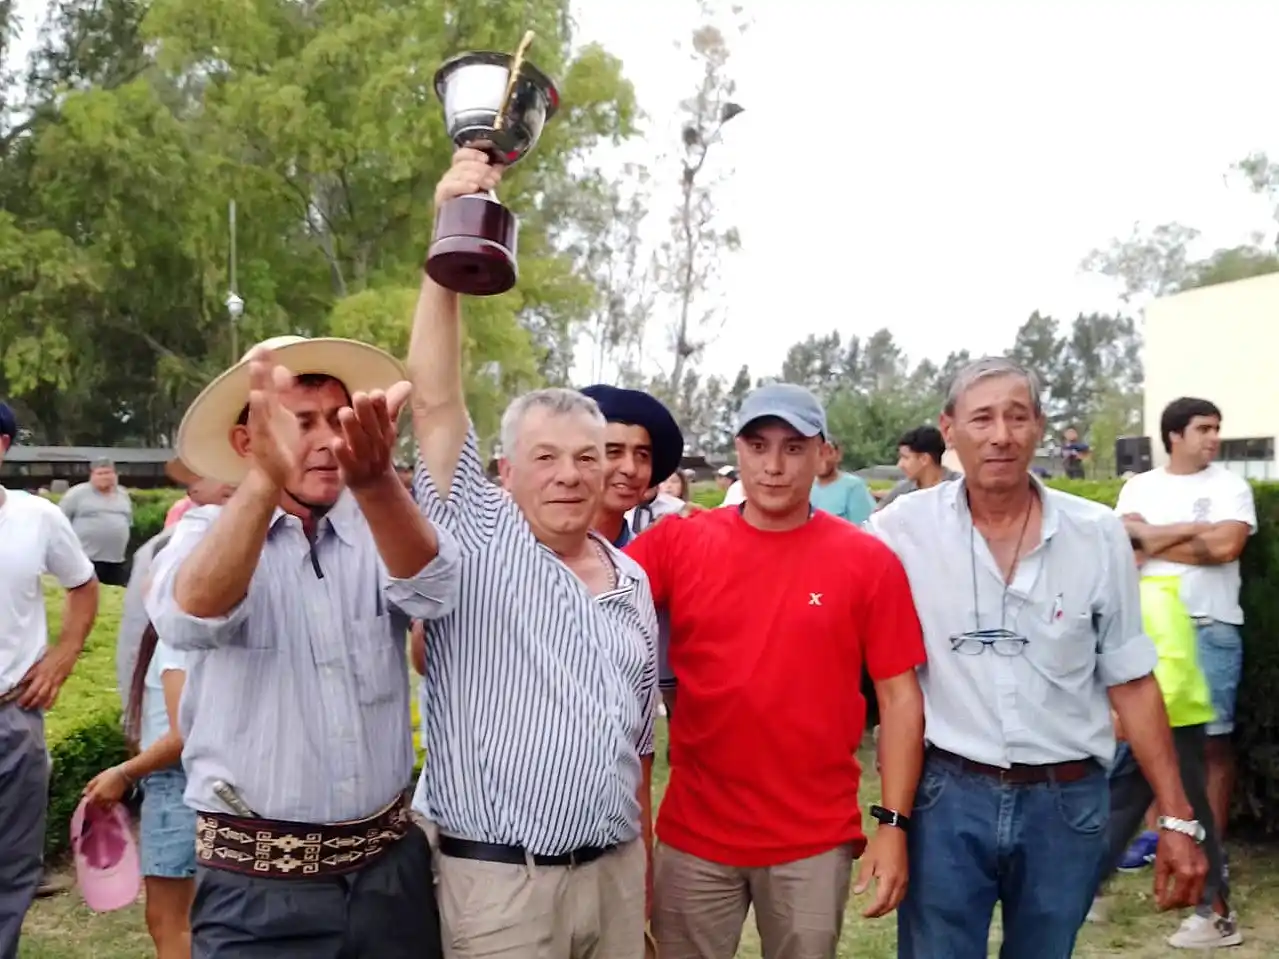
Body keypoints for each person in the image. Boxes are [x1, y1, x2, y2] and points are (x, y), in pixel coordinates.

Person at [406, 147, 658, 959]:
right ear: (505, 472)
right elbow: (435, 400)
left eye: (587, 457)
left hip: (613, 873)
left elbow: (637, 746)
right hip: (501, 887)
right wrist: (449, 234)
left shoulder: (631, 579)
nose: (569, 475)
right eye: (545, 457)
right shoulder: (479, 538)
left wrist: (642, 877)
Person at [869, 357, 1207, 959]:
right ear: (949, 430)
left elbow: (1132, 680)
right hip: (948, 796)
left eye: (1017, 416)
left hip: (1066, 803)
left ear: (1039, 426)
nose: (1001, 435)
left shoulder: (1096, 533)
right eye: (982, 418)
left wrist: (1177, 817)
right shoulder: (902, 529)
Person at [146, 335, 460, 959]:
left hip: (387, 872)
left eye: (338, 421)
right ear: (247, 442)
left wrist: (377, 482)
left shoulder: (377, 524)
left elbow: (435, 593)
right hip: (257, 888)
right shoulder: (205, 532)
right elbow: (190, 614)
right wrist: (266, 478)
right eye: (301, 423)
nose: (326, 440)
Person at [626, 382, 927, 959]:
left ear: (822, 454)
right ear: (738, 450)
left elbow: (900, 697)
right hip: (696, 832)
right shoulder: (680, 543)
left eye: (793, 448)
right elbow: (584, 594)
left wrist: (893, 824)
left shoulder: (866, 561)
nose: (773, 466)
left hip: (811, 838)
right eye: (759, 446)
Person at [1111, 397, 1254, 943]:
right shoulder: (1139, 487)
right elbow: (1126, 547)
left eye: (1217, 428)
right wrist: (1193, 532)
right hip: (1150, 632)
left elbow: (1228, 545)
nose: (1213, 438)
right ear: (1174, 435)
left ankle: (1206, 876)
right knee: (1136, 750)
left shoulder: (1231, 487)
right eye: (1203, 428)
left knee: (1206, 750)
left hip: (1210, 628)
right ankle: (1164, 848)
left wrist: (1156, 537)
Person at [1091, 565, 1238, 948]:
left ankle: (1217, 916)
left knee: (1191, 822)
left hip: (1174, 727)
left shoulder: (1153, 597)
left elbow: (1169, 670)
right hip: (1155, 726)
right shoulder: (1134, 597)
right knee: (1116, 807)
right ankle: (1082, 890)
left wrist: (1130, 720)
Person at [0, 400, 99, 959]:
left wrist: (64, 654)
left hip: (13, 717)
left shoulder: (37, 518)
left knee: (13, 866)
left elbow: (82, 584)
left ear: (2, 447)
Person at [86, 534, 194, 959]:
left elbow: (184, 734)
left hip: (177, 790)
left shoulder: (176, 640)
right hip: (179, 788)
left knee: (171, 922)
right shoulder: (174, 636)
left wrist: (124, 773)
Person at [117, 459, 234, 701]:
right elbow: (137, 633)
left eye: (201, 476)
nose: (191, 486)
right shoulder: (170, 545)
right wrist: (133, 704)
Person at [580, 384, 684, 548]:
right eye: (613, 452)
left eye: (642, 455)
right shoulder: (537, 553)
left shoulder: (648, 558)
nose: (630, 468)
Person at [60, 456, 133, 586]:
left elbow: (128, 521)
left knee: (114, 594)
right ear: (92, 475)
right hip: (86, 559)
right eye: (100, 473)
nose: (104, 477)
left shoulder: (123, 494)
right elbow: (60, 522)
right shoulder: (76, 494)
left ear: (115, 475)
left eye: (108, 473)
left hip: (116, 560)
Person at [876, 425, 960, 510]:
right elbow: (877, 515)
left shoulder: (960, 487)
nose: (900, 464)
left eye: (905, 457)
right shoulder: (902, 490)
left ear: (924, 459)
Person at [809, 438, 876, 525]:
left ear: (838, 455)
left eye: (828, 452)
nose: (821, 458)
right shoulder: (804, 486)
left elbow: (863, 526)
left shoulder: (853, 486)